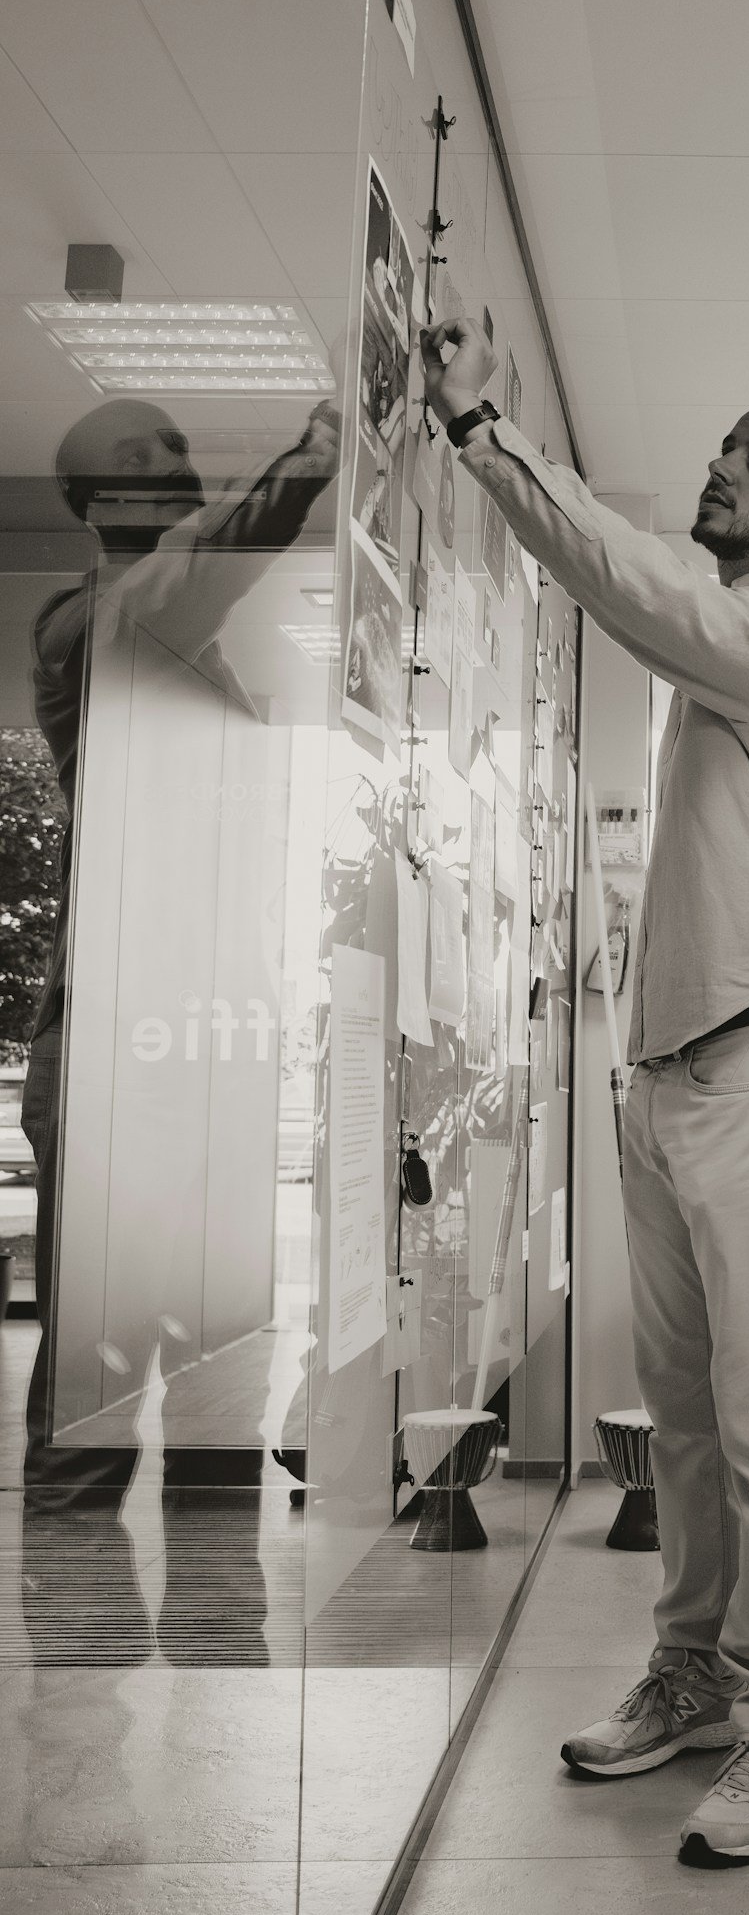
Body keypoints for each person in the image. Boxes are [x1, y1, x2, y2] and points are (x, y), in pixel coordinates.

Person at [421, 318, 749, 1868]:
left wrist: (487, 437)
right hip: (673, 1078)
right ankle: (691, 1677)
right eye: (723, 446)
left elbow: (638, 590)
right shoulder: (720, 658)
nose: (722, 467)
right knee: (685, 1425)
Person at [20, 395, 339, 1661]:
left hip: (193, 1057)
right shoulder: (90, 623)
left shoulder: (173, 638)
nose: (179, 462)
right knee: (94, 1391)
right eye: (148, 455)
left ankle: (222, 1656)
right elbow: (199, 566)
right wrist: (312, 461)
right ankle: (77, 1676)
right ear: (96, 500)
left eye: (178, 447)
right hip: (115, 1064)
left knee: (216, 1381)